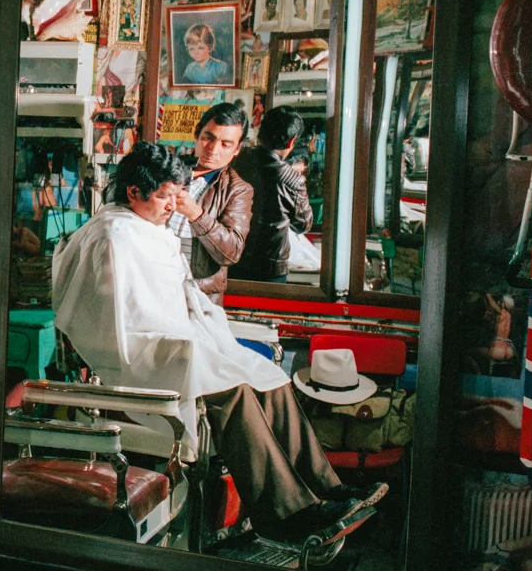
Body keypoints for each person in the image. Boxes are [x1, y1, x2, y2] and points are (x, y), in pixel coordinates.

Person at [53, 143, 380, 542]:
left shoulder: (146, 229)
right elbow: (116, 320)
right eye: (164, 196)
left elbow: (174, 296)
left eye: (178, 194)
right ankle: (284, 514)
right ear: (134, 193)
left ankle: (326, 489)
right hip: (134, 357)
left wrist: (199, 328)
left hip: (172, 344)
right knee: (236, 393)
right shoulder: (112, 235)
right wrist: (182, 336)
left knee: (270, 379)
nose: (173, 205)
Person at [168, 103, 253, 301]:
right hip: (150, 281)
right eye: (209, 138)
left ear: (237, 149)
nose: (213, 150)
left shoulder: (237, 190)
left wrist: (196, 214)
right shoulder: (167, 167)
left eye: (226, 144)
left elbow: (231, 252)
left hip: (197, 294)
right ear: (197, 134)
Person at [231, 107, 313, 283]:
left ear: (260, 131)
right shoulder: (292, 180)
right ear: (292, 141)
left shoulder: (235, 160)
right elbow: (303, 224)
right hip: (269, 267)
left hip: (232, 255)